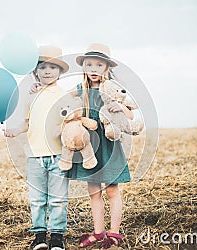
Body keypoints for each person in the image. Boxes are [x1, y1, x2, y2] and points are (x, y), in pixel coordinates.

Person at [3, 45, 70, 250]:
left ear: (59, 72)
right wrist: (15, 130)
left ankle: (57, 236)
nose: (47, 71)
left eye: (52, 67)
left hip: (58, 154)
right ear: (35, 72)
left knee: (59, 199)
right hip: (34, 156)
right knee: (37, 199)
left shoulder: (64, 95)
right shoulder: (31, 95)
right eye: (42, 67)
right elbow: (27, 122)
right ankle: (39, 235)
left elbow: (69, 123)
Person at [71, 43, 132, 249]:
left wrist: (121, 106)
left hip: (109, 145)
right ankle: (98, 232)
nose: (94, 69)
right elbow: (65, 109)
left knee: (112, 190)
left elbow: (131, 116)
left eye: (99, 65)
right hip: (90, 147)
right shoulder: (80, 90)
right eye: (90, 65)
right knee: (93, 192)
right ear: (84, 68)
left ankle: (114, 234)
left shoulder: (114, 91)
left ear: (107, 68)